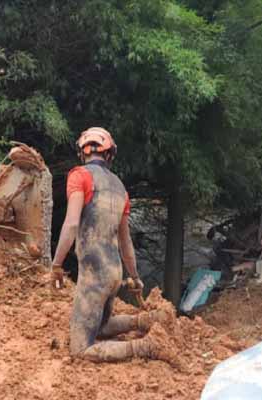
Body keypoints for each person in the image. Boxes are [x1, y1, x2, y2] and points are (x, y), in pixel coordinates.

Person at [51, 127, 175, 363]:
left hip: (93, 273)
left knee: (80, 349)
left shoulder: (80, 176)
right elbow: (125, 241)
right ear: (109, 155)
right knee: (101, 326)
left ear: (83, 152)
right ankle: (145, 321)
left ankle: (146, 346)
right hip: (114, 272)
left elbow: (70, 225)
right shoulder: (120, 188)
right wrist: (135, 276)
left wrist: (56, 264)